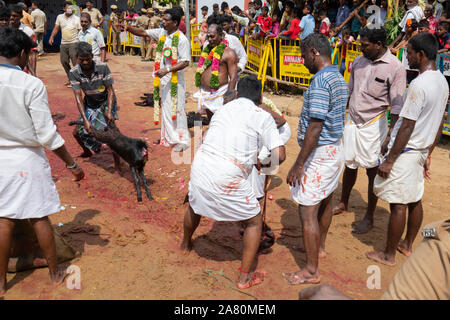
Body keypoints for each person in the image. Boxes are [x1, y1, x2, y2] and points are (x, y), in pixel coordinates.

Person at [0, 27, 84, 296]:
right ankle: (54, 272)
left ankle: (1, 282)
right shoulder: (31, 84)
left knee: (4, 220)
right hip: (26, 159)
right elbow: (47, 133)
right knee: (38, 217)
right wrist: (71, 163)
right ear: (23, 54)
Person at [180, 76, 286, 289]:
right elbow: (280, 155)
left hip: (201, 164)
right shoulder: (263, 116)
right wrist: (261, 161)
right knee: (254, 221)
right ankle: (245, 278)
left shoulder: (222, 109)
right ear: (261, 99)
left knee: (195, 203)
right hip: (228, 171)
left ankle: (185, 245)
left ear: (237, 94)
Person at [368, 32, 449, 267]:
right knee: (414, 199)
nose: (408, 57)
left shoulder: (418, 84)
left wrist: (390, 160)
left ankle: (388, 254)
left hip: (407, 151)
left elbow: (407, 126)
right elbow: (438, 124)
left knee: (398, 204)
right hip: (421, 150)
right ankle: (407, 244)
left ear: (421, 55)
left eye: (410, 53)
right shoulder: (441, 81)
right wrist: (429, 153)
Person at [284, 33, 348, 285]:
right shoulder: (338, 76)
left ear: (313, 53)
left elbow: (315, 127)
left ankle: (311, 270)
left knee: (307, 210)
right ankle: (318, 248)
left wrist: (299, 163)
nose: (302, 62)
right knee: (326, 199)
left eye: (303, 56)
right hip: (333, 149)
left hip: (320, 153)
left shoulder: (321, 81)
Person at [332, 27, 407, 234]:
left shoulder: (395, 67)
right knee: (350, 163)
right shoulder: (358, 61)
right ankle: (343, 202)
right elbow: (349, 91)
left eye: (365, 45)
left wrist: (391, 132)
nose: (361, 47)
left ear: (379, 45)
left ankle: (369, 216)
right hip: (353, 121)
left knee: (372, 168)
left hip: (374, 124)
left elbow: (397, 105)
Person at [299, 219, 450, 300]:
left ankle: (388, 255)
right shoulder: (440, 233)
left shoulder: (442, 246)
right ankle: (403, 247)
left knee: (399, 205)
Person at [123, 8, 191, 152]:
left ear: (175, 22)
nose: (163, 22)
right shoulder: (162, 33)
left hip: (175, 80)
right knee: (166, 109)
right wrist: (128, 28)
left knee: (177, 109)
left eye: (166, 20)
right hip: (163, 79)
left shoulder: (182, 39)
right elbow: (143, 33)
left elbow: (185, 62)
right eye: (163, 19)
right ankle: (169, 138)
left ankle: (183, 141)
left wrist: (167, 70)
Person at [68, 42, 118, 158]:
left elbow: (110, 90)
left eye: (88, 59)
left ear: (92, 56)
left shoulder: (103, 67)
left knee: (110, 132)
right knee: (77, 132)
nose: (85, 63)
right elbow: (78, 96)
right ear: (77, 58)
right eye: (82, 60)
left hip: (105, 101)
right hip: (90, 102)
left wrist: (109, 111)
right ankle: (87, 151)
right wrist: (85, 119)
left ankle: (117, 161)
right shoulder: (73, 72)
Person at [194, 15, 239, 122]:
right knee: (211, 122)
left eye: (213, 36)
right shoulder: (207, 50)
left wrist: (228, 97)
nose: (210, 39)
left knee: (222, 123)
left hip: (220, 94)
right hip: (206, 94)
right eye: (208, 36)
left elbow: (233, 77)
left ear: (221, 36)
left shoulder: (229, 53)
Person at [49, 1, 81, 87]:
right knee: (64, 61)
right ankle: (70, 77)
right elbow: (56, 28)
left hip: (74, 42)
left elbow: (79, 31)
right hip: (63, 43)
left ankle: (76, 80)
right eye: (68, 8)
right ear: (64, 9)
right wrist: (51, 37)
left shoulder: (76, 18)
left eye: (71, 8)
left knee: (75, 62)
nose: (70, 9)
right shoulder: (59, 17)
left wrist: (80, 43)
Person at [9, 5, 37, 76]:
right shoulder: (4, 30)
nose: (12, 18)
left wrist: (33, 73)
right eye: (10, 15)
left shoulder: (28, 32)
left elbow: (32, 54)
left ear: (21, 17)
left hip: (21, 71)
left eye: (15, 16)